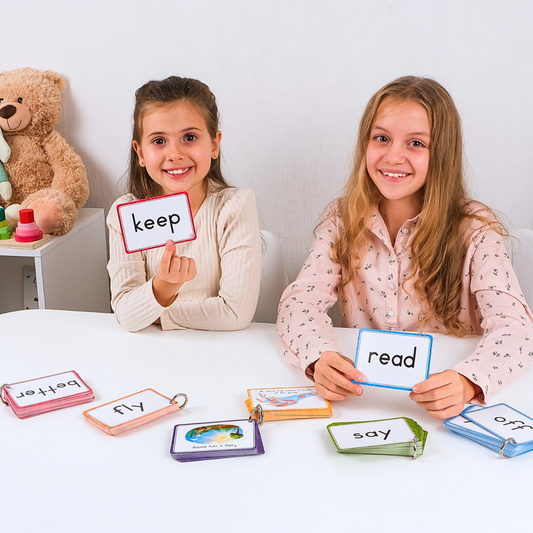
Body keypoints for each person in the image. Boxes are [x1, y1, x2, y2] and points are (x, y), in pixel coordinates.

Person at [277, 76, 533, 419]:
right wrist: (319, 357)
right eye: (381, 138)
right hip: (364, 400)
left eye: (416, 143)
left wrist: (468, 382)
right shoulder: (342, 218)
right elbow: (300, 302)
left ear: (441, 153)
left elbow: (515, 328)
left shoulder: (475, 229)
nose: (393, 156)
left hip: (442, 406)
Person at [107, 76, 261, 332]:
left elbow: (235, 314)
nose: (175, 154)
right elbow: (125, 314)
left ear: (214, 144)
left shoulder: (234, 206)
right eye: (159, 141)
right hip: (151, 349)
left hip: (222, 348)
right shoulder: (126, 214)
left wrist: (156, 312)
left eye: (189, 137)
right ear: (141, 152)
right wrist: (163, 287)